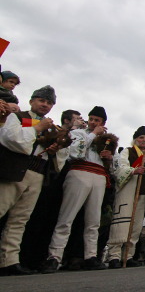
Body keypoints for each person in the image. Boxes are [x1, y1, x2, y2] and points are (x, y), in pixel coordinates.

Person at [0, 86, 68, 275]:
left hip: (37, 174)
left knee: (20, 219)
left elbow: (59, 157)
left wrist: (55, 151)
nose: (45, 105)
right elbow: (11, 139)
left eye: (49, 103)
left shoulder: (53, 128)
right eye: (41, 101)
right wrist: (37, 128)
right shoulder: (18, 117)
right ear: (31, 101)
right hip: (15, 170)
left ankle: (9, 260)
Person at [41, 106, 114, 273]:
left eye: (98, 120)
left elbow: (113, 165)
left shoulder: (108, 139)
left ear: (103, 122)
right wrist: (93, 134)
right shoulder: (80, 133)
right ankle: (54, 256)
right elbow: (75, 152)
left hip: (99, 176)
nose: (94, 122)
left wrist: (109, 157)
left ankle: (90, 256)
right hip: (79, 173)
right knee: (66, 217)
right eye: (92, 119)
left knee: (93, 221)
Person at [106, 126, 145, 269]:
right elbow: (120, 168)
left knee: (136, 226)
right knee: (122, 223)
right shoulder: (127, 152)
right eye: (141, 137)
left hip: (141, 194)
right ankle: (114, 256)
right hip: (128, 192)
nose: (144, 140)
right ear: (135, 139)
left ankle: (128, 255)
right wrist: (134, 170)